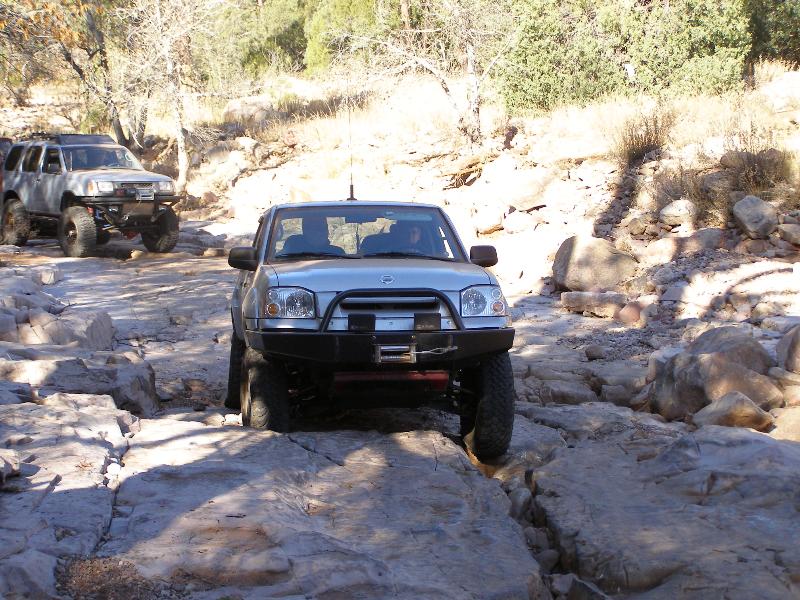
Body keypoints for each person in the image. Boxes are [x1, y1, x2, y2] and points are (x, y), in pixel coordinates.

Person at [280, 215, 345, 255]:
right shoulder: (293, 247)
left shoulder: (338, 253)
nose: (319, 233)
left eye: (322, 228)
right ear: (305, 231)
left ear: (327, 231)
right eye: (314, 229)